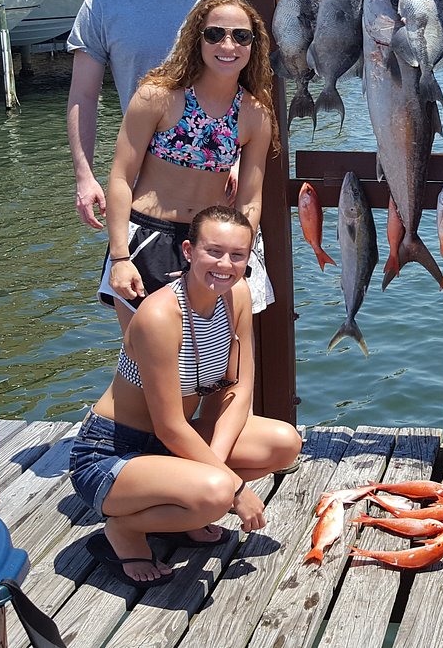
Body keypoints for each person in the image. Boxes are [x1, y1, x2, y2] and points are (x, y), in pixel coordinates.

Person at [69, 205, 302, 587]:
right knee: (215, 493)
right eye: (214, 251)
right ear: (189, 251)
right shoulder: (159, 316)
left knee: (283, 443)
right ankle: (124, 530)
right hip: (111, 455)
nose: (225, 265)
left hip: (170, 449)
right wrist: (231, 485)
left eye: (238, 255)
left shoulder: (237, 294)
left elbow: (239, 390)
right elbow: (169, 425)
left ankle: (180, 514)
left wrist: (217, 469)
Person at [100, 0, 279, 336]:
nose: (228, 45)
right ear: (196, 38)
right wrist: (121, 257)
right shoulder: (156, 96)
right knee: (142, 367)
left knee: (209, 368)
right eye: (215, 34)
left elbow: (250, 199)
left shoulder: (255, 114)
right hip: (147, 239)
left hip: (211, 249)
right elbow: (121, 177)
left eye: (241, 36)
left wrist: (236, 255)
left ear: (253, 45)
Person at [66, 0, 225, 231]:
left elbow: (249, 94)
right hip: (140, 189)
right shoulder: (100, 6)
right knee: (133, 285)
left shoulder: (222, 3)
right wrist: (85, 177)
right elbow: (83, 96)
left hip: (219, 186)